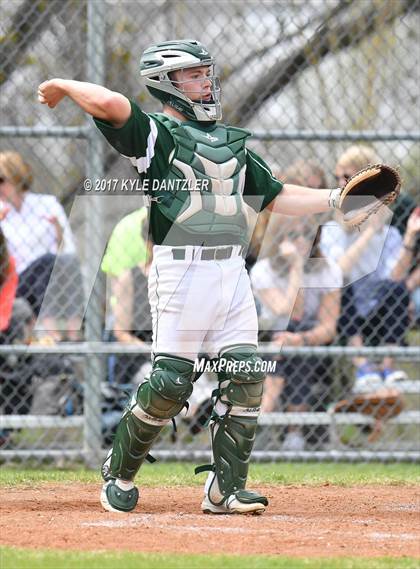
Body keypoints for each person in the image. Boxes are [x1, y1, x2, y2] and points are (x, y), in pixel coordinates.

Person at [38, 39, 375, 515]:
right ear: (166, 84)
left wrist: (336, 201)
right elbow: (113, 104)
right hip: (181, 268)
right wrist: (63, 86)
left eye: (205, 73)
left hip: (231, 269)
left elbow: (275, 195)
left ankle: (226, 488)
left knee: (245, 375)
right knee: (172, 382)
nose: (205, 81)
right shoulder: (155, 136)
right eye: (192, 75)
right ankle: (119, 470)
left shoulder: (232, 142)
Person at [321, 145, 410, 388]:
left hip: (378, 309)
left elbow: (396, 277)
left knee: (398, 289)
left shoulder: (389, 232)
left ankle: (389, 368)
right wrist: (368, 233)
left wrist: (408, 240)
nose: (341, 183)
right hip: (346, 311)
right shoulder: (333, 229)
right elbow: (338, 271)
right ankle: (363, 367)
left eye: (347, 177)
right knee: (341, 287)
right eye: (338, 177)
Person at [251, 220, 342, 450]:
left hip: (307, 342)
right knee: (285, 335)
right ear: (280, 239)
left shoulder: (328, 269)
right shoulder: (263, 269)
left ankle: (263, 415)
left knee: (296, 333)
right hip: (267, 340)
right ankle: (292, 431)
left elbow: (328, 328)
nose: (300, 240)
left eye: (306, 234)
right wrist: (297, 267)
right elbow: (286, 310)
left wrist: (299, 340)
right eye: (293, 234)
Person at [0, 152, 83, 340]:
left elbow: (69, 249)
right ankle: (51, 334)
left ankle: (74, 334)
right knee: (46, 262)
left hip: (52, 278)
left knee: (64, 260)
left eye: (1, 180)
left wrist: (58, 232)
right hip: (17, 281)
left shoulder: (47, 204)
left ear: (16, 177)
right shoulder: (1, 212)